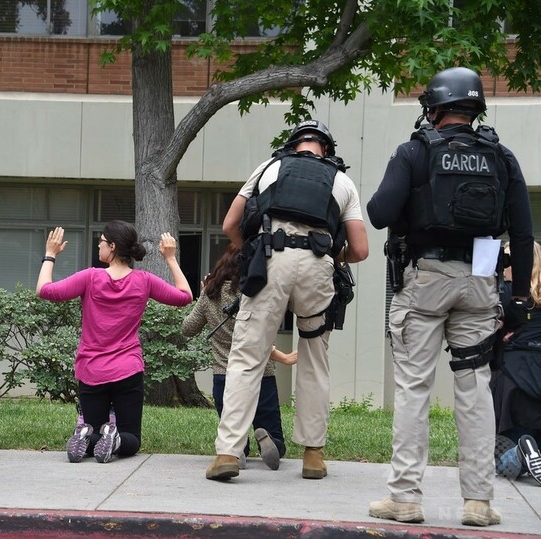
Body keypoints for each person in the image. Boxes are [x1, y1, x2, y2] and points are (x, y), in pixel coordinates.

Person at [367, 67, 534, 527]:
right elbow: (522, 233)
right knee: (475, 390)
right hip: (480, 282)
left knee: (414, 389)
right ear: (475, 108)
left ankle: (405, 498)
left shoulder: (415, 151)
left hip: (426, 281)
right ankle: (478, 502)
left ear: (435, 108)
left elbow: (379, 213)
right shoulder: (501, 156)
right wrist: (520, 296)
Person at [206, 119, 368, 482]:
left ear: (293, 145)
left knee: (247, 358)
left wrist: (252, 249)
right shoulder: (342, 181)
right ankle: (313, 456)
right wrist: (333, 255)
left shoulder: (269, 167)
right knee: (314, 360)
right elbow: (360, 249)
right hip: (317, 266)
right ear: (327, 149)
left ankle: (228, 453)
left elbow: (230, 224)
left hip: (270, 262)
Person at [37, 220, 192, 463]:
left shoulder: (90, 277)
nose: (98, 245)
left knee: (95, 435)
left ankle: (86, 436)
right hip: (127, 369)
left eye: (101, 241)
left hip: (91, 369)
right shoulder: (144, 280)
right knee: (132, 439)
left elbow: (45, 290)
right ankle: (116, 439)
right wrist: (170, 258)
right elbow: (185, 296)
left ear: (112, 246)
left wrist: (50, 254)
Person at [182, 243, 296, 470]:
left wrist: (202, 295)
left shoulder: (210, 293)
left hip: (224, 375)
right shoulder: (258, 293)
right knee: (276, 436)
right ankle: (269, 440)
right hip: (261, 374)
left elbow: (188, 328)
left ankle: (237, 452)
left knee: (232, 433)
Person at [492, 242, 541, 486]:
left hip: (513, 378)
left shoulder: (506, 295)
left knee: (504, 462)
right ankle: (530, 450)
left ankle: (520, 452)